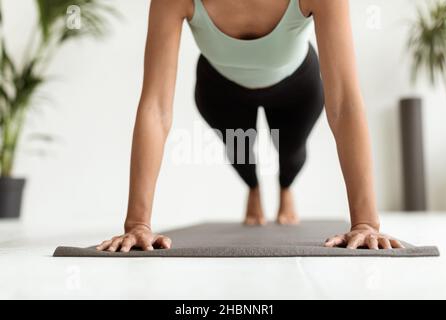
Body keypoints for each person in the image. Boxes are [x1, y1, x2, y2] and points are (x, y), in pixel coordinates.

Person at [97, 0, 405, 253]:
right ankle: (253, 187)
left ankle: (285, 187)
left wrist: (365, 223)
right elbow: (156, 108)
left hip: (296, 84)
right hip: (220, 87)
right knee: (241, 152)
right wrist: (138, 224)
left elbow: (345, 105)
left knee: (291, 154)